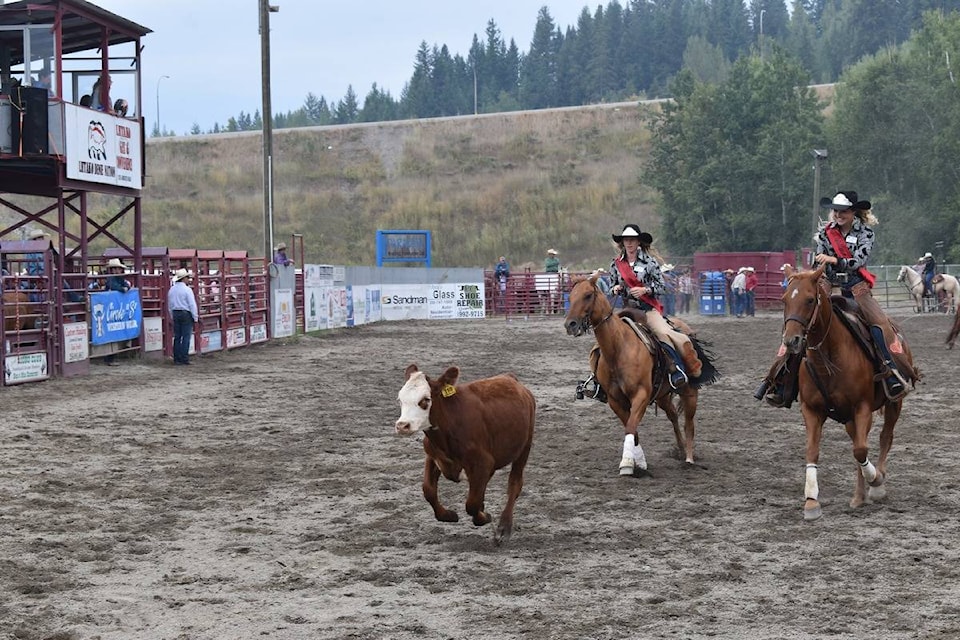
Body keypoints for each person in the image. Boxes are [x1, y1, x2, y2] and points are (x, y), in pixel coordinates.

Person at [755, 190, 918, 406]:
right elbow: (818, 262)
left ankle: (891, 372)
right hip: (826, 282)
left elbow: (858, 261)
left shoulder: (866, 234)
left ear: (853, 212)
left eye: (843, 211)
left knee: (879, 324)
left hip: (856, 285)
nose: (838, 215)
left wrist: (834, 259)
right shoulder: (825, 233)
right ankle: (781, 380)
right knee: (798, 320)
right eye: (836, 211)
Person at [608, 224, 701, 386]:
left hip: (647, 309)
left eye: (632, 240)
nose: (629, 243)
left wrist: (645, 290)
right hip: (626, 310)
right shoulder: (615, 264)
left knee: (663, 333)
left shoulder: (650, 263)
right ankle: (599, 378)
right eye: (626, 240)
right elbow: (611, 285)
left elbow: (662, 287)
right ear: (622, 243)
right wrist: (615, 288)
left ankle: (676, 370)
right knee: (606, 336)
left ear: (638, 242)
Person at [103, 258, 131, 367]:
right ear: (114, 269)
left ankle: (111, 357)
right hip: (111, 309)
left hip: (114, 309)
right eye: (118, 269)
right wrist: (124, 288)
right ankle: (109, 358)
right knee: (111, 334)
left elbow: (127, 284)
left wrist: (125, 287)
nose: (120, 271)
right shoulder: (111, 279)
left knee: (113, 332)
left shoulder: (118, 279)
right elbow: (118, 286)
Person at [168, 268, 198, 365]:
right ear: (184, 278)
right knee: (186, 337)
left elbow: (170, 304)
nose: (188, 279)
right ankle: (184, 358)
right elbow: (192, 305)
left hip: (175, 313)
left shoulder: (171, 290)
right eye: (187, 278)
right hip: (185, 313)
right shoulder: (187, 290)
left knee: (177, 336)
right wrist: (195, 317)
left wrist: (172, 315)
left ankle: (177, 359)